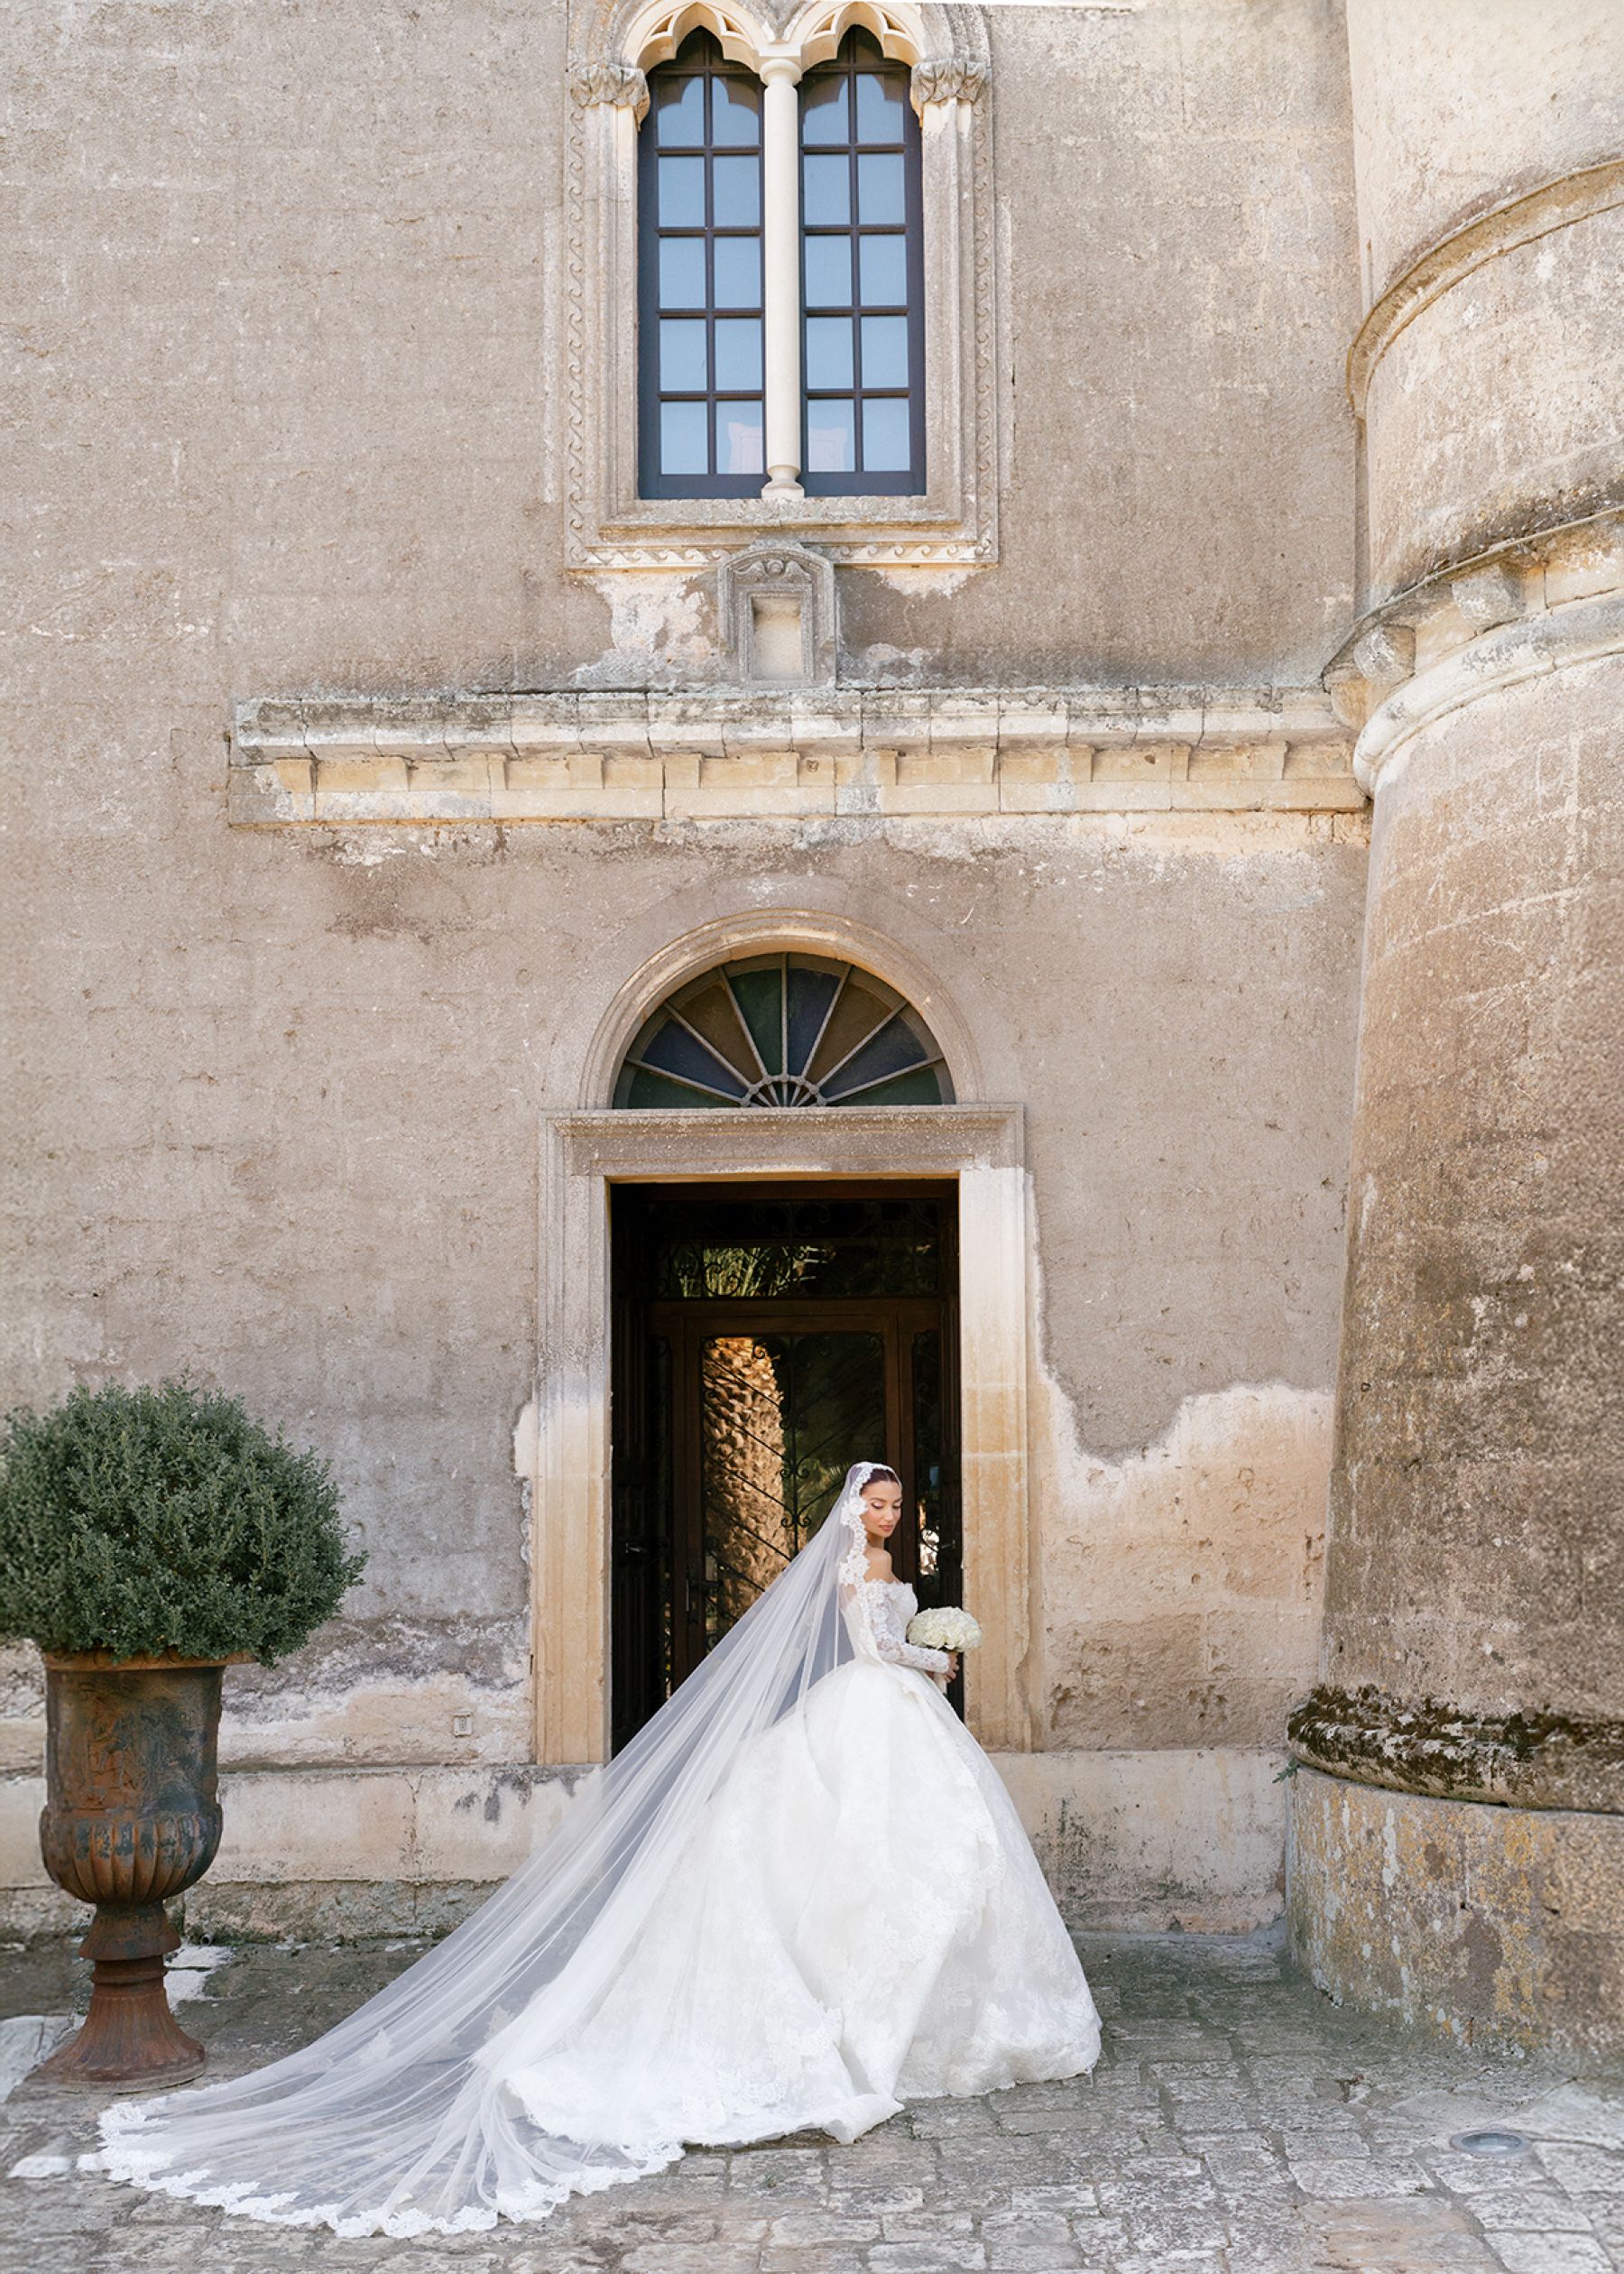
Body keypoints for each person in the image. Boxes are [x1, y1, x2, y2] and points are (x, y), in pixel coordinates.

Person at [97, 1461, 1101, 2237]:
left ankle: (932, 2018)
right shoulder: (850, 1569)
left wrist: (926, 1648)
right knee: (844, 1852)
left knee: (936, 1857)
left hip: (896, 1718)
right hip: (875, 1705)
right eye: (876, 1506)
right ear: (853, 1513)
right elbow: (867, 1649)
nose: (886, 1519)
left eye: (891, 1509)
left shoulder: (892, 1568)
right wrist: (936, 1655)